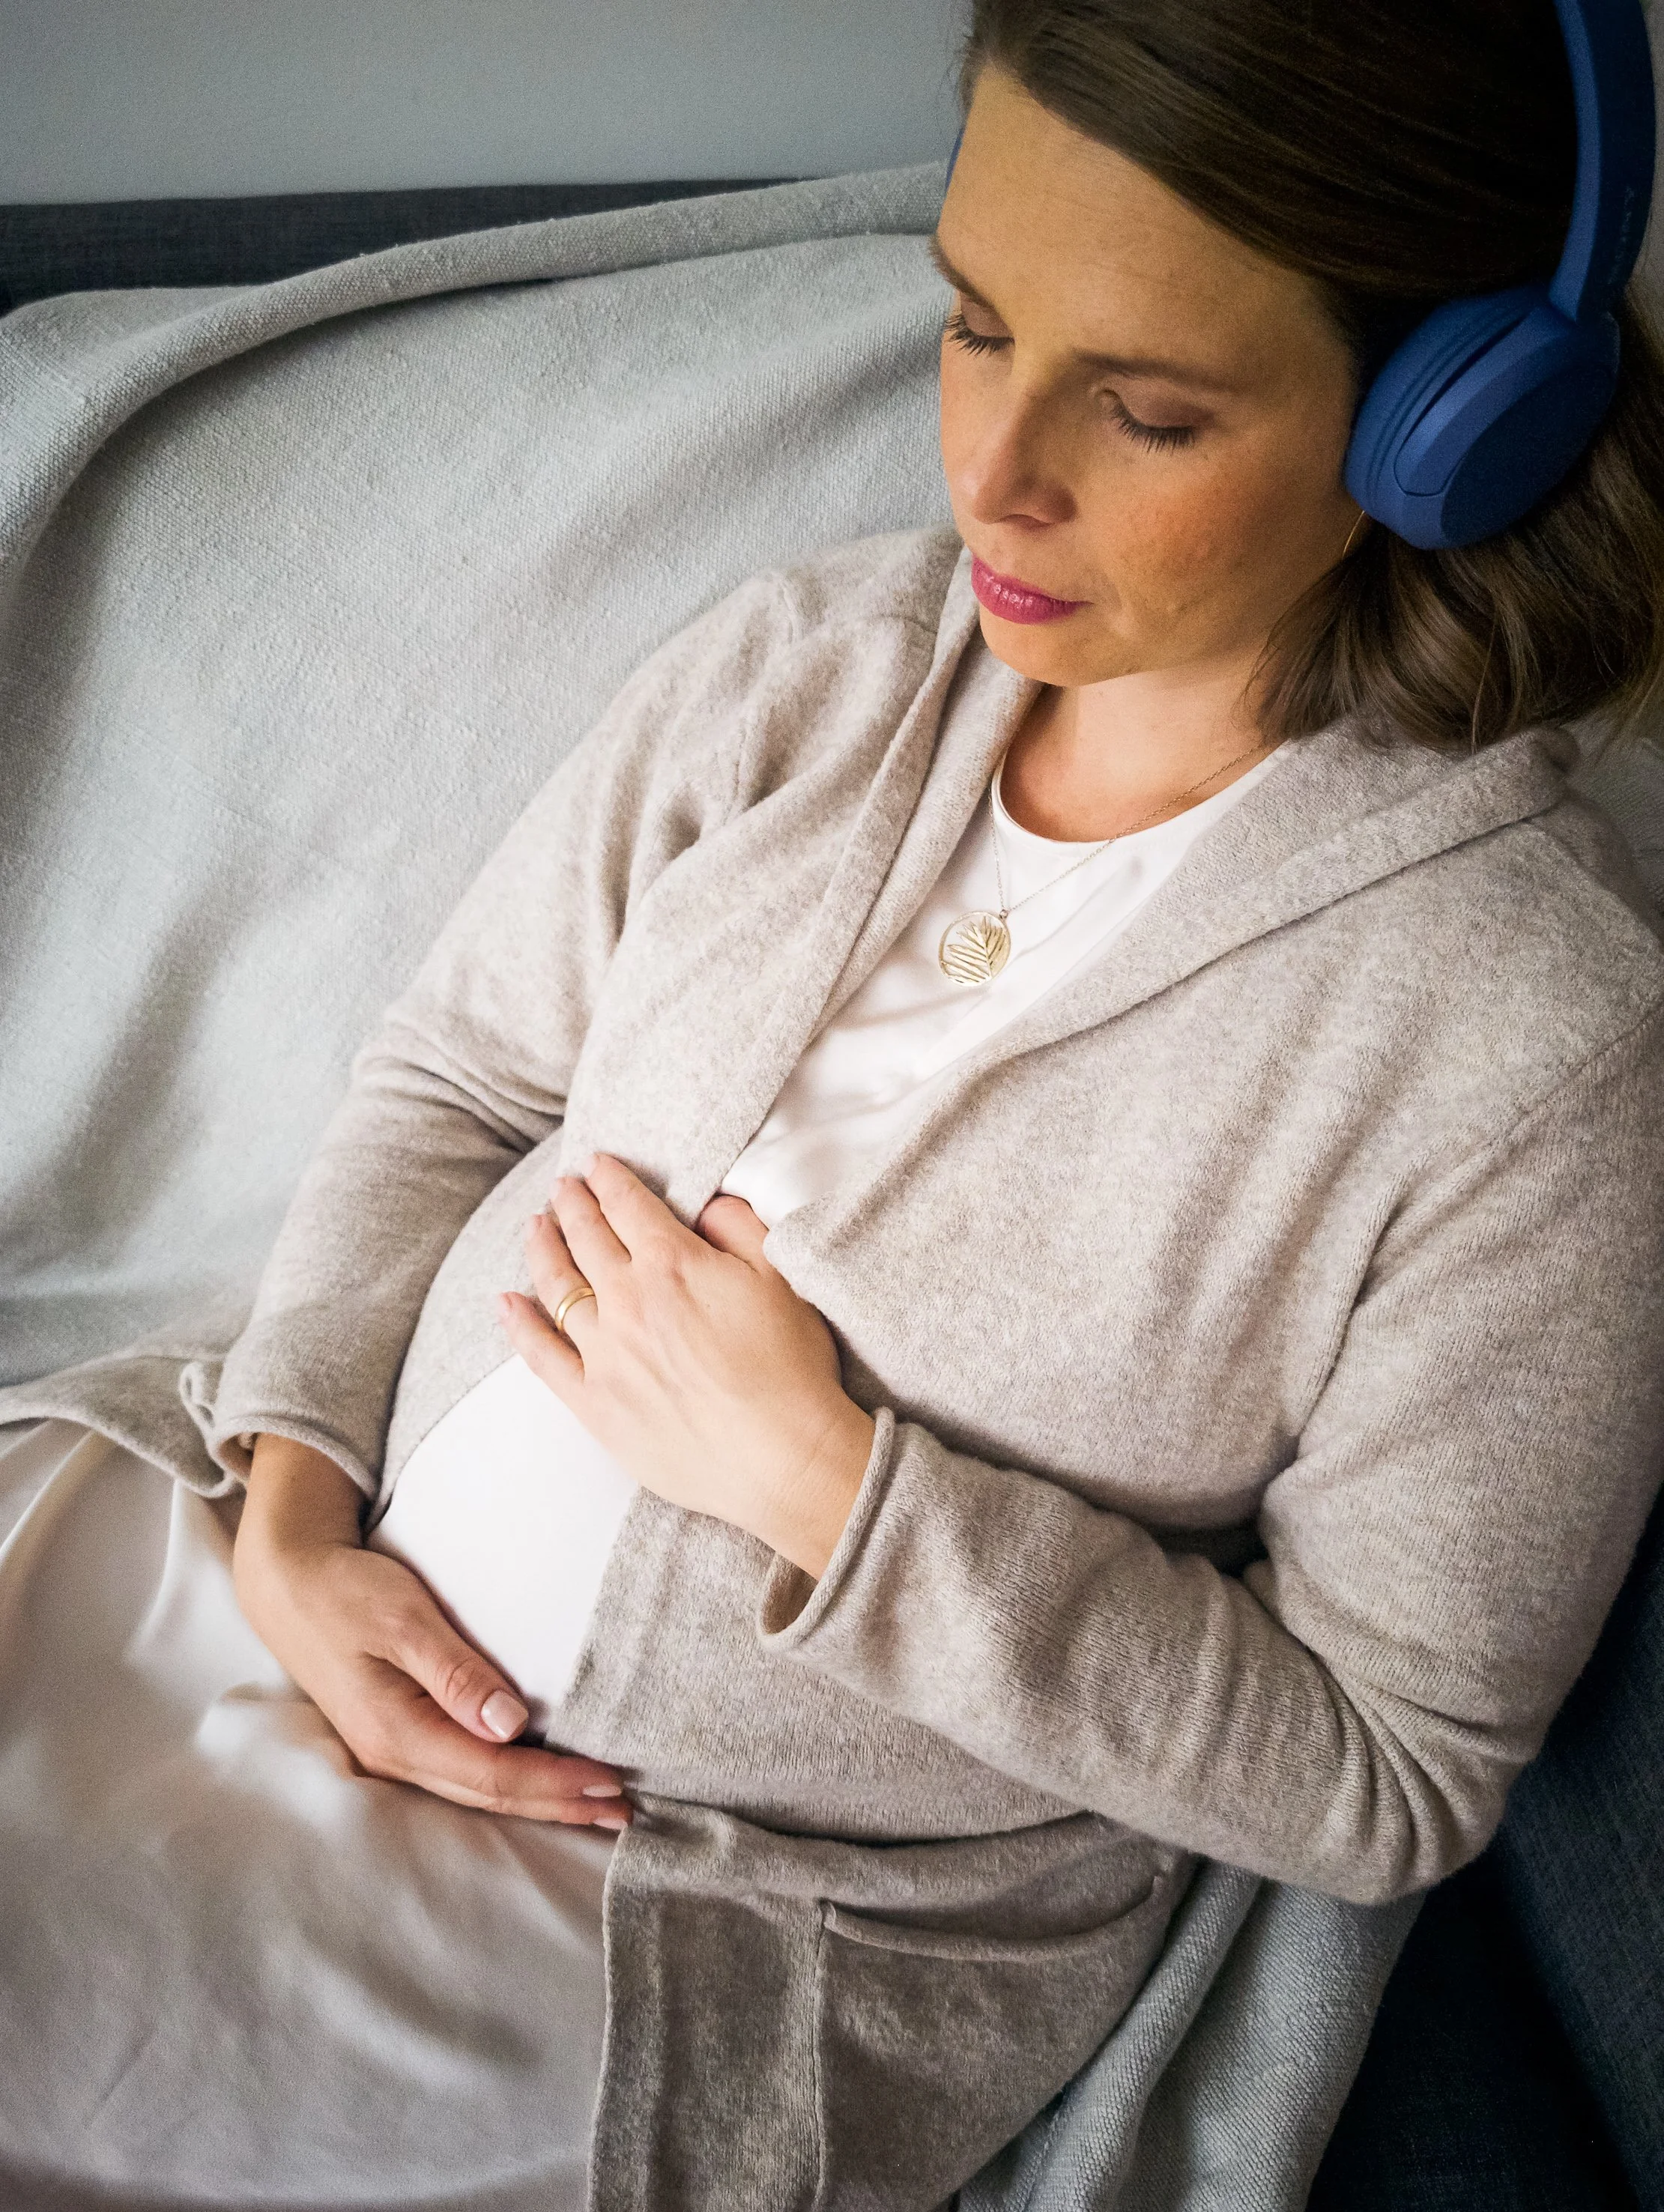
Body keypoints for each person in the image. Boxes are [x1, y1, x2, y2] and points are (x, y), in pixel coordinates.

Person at [10, 0, 1664, 2204]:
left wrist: (829, 1489)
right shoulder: (811, 662)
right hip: (253, 1572)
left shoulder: (1523, 1035)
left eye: (1150, 410)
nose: (992, 474)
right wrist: (298, 1502)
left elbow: (1384, 1773)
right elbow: (455, 1074)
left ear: (1445, 426)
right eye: (974, 327)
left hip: (699, 1895)